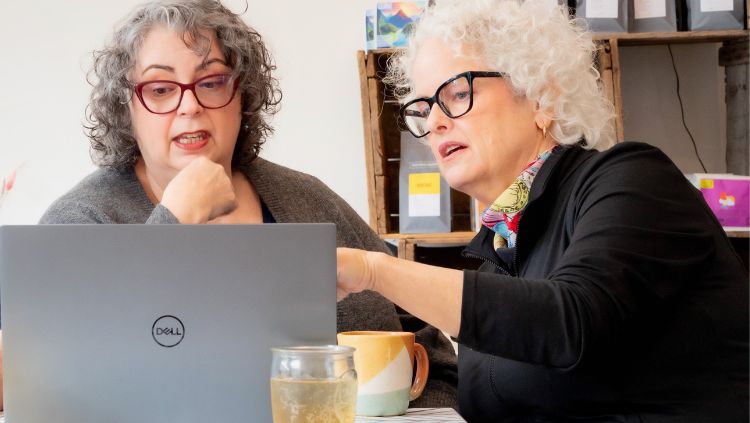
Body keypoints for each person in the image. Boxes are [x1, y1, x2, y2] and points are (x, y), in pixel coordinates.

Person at [0, 0, 458, 411]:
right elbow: (59, 391)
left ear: (242, 95)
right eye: (160, 89)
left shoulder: (308, 200)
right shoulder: (82, 221)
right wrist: (174, 220)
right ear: (127, 108)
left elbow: (431, 353)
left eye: (212, 82)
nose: (189, 107)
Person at [336, 0, 749, 421]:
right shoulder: (502, 256)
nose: (436, 122)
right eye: (424, 110)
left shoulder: (633, 181)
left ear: (542, 97)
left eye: (457, 93)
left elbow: (569, 321)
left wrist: (374, 271)